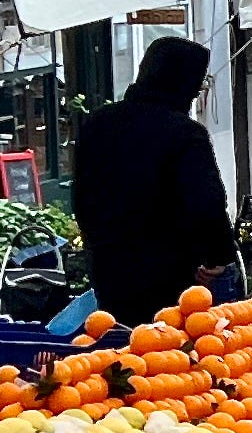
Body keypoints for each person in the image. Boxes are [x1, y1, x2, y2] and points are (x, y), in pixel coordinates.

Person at [72, 35, 236, 325]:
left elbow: (81, 196)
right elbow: (205, 203)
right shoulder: (184, 133)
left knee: (120, 342)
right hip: (172, 273)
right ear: (184, 84)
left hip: (110, 269)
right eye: (197, 87)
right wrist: (218, 257)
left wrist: (96, 246)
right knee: (174, 346)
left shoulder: (98, 123)